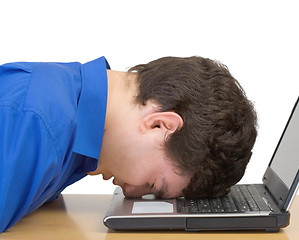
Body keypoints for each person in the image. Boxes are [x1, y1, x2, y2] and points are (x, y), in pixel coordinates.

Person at [0, 56, 257, 232]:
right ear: (160, 125)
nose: (132, 194)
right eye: (153, 185)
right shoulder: (33, 121)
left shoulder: (80, 125)